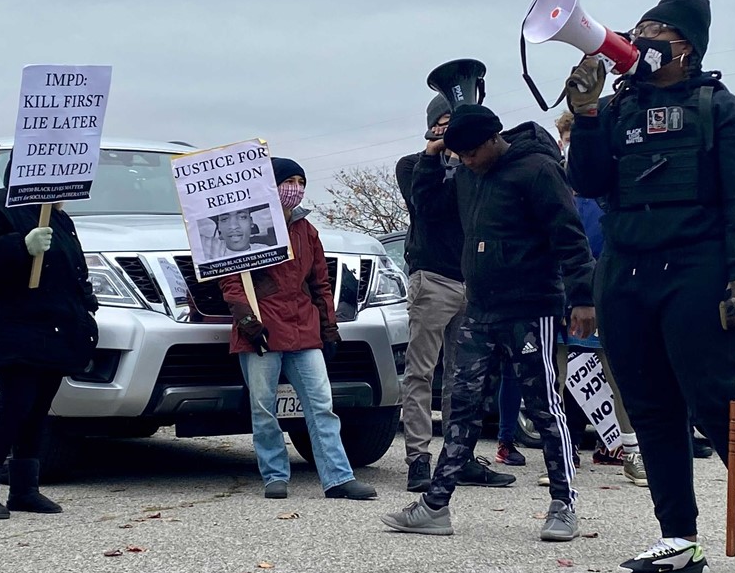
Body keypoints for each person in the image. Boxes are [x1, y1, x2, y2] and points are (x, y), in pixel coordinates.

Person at [565, 0, 735, 573]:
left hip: (697, 273)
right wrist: (588, 114)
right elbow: (588, 180)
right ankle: (679, 537)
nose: (640, 37)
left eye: (657, 30)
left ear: (686, 46)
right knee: (651, 409)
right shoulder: (621, 108)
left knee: (718, 404)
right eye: (640, 26)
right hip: (625, 272)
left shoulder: (723, 111)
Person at [382, 104, 596, 541]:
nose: (466, 162)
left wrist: (583, 298)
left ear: (492, 140)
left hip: (530, 306)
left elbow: (568, 234)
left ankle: (564, 505)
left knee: (543, 407)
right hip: (480, 308)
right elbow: (426, 206)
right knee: (460, 405)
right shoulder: (466, 175)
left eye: (471, 154)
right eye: (458, 155)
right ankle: (435, 506)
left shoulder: (537, 170)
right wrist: (429, 155)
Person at [220, 157, 377, 501]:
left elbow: (320, 282)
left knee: (321, 404)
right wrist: (247, 320)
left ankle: (337, 477)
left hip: (304, 329)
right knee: (263, 407)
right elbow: (231, 281)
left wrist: (329, 328)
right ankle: (274, 474)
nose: (295, 188)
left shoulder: (307, 230)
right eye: (287, 180)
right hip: (261, 331)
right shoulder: (245, 226)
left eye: (299, 181)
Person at [0, 162, 99, 520]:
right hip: (18, 324)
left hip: (57, 326)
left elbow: (75, 268)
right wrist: (20, 245)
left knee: (38, 409)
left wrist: (86, 304)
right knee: (15, 405)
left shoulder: (60, 220)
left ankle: (24, 489)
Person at [394, 95, 519, 492]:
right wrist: (440, 155)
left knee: (465, 377)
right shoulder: (413, 164)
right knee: (421, 371)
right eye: (444, 122)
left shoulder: (475, 167)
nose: (450, 130)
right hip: (432, 278)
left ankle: (459, 456)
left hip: (471, 279)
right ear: (431, 126)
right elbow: (429, 207)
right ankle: (418, 457)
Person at [556, 110, 648, 487]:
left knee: (617, 371)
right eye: (566, 138)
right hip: (560, 289)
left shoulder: (606, 181)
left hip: (604, 286)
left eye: (577, 139)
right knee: (554, 373)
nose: (571, 145)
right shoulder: (553, 181)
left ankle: (632, 452)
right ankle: (559, 456)